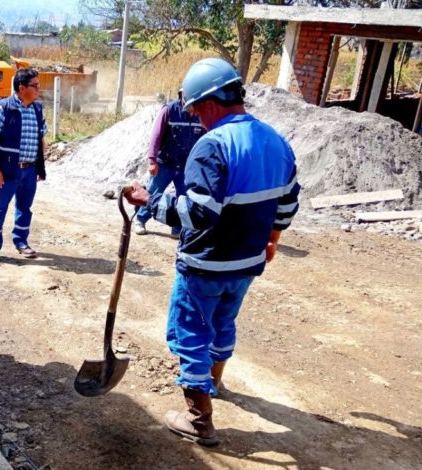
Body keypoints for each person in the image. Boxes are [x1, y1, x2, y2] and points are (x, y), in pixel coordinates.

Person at [124, 58, 301, 447]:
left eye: (194, 111)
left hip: (205, 264)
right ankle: (214, 383)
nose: (195, 120)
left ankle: (198, 420)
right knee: (223, 323)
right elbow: (287, 205)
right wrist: (271, 241)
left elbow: (198, 213)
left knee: (189, 333)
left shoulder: (213, 145)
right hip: (247, 264)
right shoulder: (276, 141)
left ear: (208, 104)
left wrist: (148, 202)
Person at [0, 68, 47, 266]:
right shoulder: (4, 108)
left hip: (29, 170)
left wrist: (39, 166)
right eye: (35, 86)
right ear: (21, 87)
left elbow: (41, 138)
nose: (38, 89)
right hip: (7, 170)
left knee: (25, 208)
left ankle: (21, 241)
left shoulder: (37, 108)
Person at [134, 89, 205, 237]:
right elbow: (156, 136)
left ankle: (177, 228)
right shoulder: (169, 110)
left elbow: (205, 138)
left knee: (184, 197)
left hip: (186, 165)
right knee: (154, 191)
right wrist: (152, 160)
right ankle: (140, 219)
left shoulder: (200, 114)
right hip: (165, 163)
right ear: (182, 96)